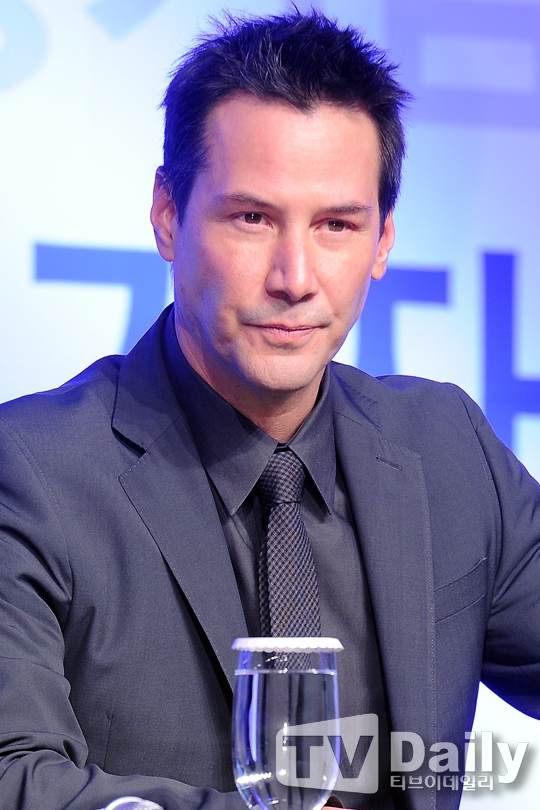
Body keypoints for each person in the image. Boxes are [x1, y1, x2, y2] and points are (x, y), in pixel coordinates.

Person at [0, 10, 538, 810]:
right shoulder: (33, 471)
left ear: (384, 240)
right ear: (168, 215)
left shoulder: (446, 445)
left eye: (337, 225)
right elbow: (13, 774)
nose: (295, 277)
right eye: (252, 218)